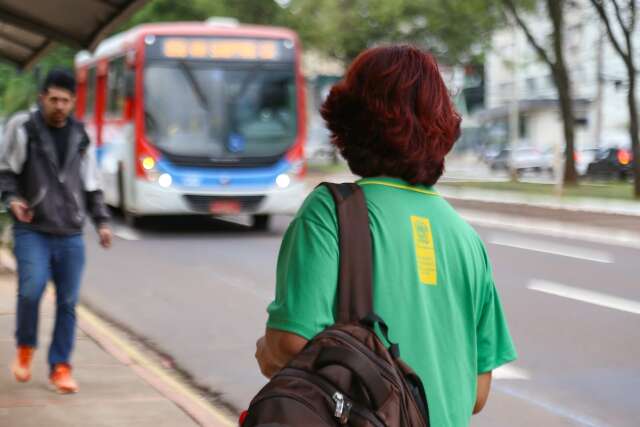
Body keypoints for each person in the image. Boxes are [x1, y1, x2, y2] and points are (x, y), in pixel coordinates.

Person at [255, 45, 517, 426]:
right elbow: (477, 392)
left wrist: (267, 350)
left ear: (349, 123)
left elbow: (289, 343)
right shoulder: (465, 238)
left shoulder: (331, 213)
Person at [0, 69, 112, 394]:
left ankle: (61, 366)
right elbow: (6, 171)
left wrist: (102, 222)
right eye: (53, 99)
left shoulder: (81, 137)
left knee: (68, 302)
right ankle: (25, 346)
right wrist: (13, 199)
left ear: (73, 102)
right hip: (32, 228)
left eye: (65, 100)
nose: (59, 106)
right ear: (42, 98)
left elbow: (93, 186)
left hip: (71, 233)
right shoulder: (25, 129)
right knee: (31, 290)